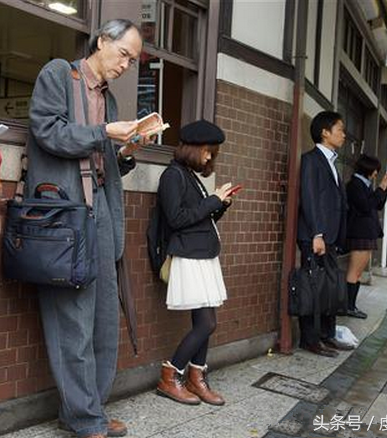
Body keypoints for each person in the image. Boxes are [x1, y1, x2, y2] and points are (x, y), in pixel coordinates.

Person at [25, 19, 147, 438]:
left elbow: (100, 160)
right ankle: (83, 417)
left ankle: (88, 409)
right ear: (102, 41)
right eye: (124, 54)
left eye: (132, 61)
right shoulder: (59, 73)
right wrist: (102, 134)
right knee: (71, 323)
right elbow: (47, 131)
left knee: (102, 321)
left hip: (100, 218)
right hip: (65, 220)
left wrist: (124, 152)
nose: (126, 65)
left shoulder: (109, 103)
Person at [154, 120, 234, 406]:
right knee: (206, 324)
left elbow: (199, 218)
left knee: (207, 322)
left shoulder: (188, 175)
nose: (210, 157)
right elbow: (176, 219)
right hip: (189, 255)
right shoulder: (173, 176)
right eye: (208, 151)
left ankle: (196, 378)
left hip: (202, 254)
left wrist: (220, 205)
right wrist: (213, 201)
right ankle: (170, 374)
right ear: (193, 148)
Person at [297, 111, 354, 357]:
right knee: (313, 286)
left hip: (330, 237)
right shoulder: (311, 160)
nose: (343, 134)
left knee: (329, 287)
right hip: (315, 236)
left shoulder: (331, 161)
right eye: (340, 129)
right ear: (325, 132)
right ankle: (310, 339)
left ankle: (327, 335)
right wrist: (317, 234)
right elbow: (309, 198)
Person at [344, 154, 387, 319]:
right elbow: (365, 207)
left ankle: (351, 305)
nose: (376, 174)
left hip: (366, 233)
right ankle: (348, 306)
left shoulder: (365, 185)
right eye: (375, 170)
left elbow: (377, 205)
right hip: (359, 233)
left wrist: (384, 188)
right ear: (368, 170)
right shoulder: (355, 185)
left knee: (357, 272)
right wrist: (380, 189)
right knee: (354, 272)